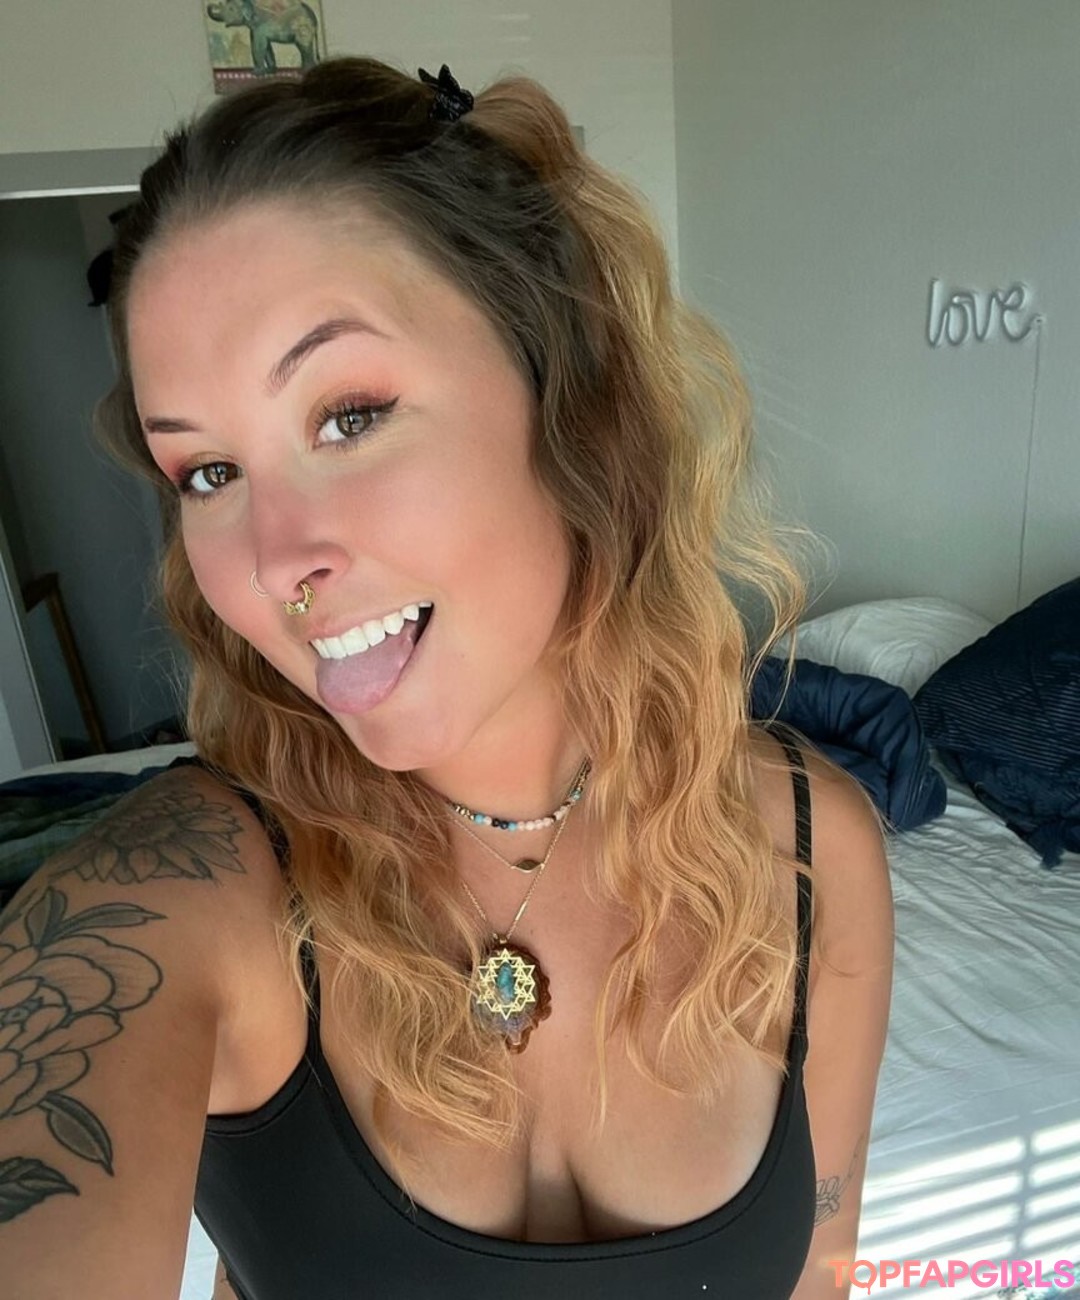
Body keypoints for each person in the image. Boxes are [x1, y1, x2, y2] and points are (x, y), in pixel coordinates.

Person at [0, 56, 892, 1299]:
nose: (275, 561)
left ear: (568, 390)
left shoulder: (810, 849)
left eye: (349, 414)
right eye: (208, 473)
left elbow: (823, 1273)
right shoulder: (183, 890)